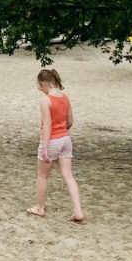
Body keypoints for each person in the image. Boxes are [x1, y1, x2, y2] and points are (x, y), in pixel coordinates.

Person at [26, 68, 84, 222]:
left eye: (40, 87)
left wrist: (45, 147)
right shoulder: (65, 98)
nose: (41, 91)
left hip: (52, 141)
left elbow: (47, 124)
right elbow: (70, 121)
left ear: (45, 83)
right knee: (68, 176)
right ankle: (78, 210)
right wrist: (62, 132)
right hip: (65, 139)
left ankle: (40, 208)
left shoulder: (46, 100)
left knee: (42, 176)